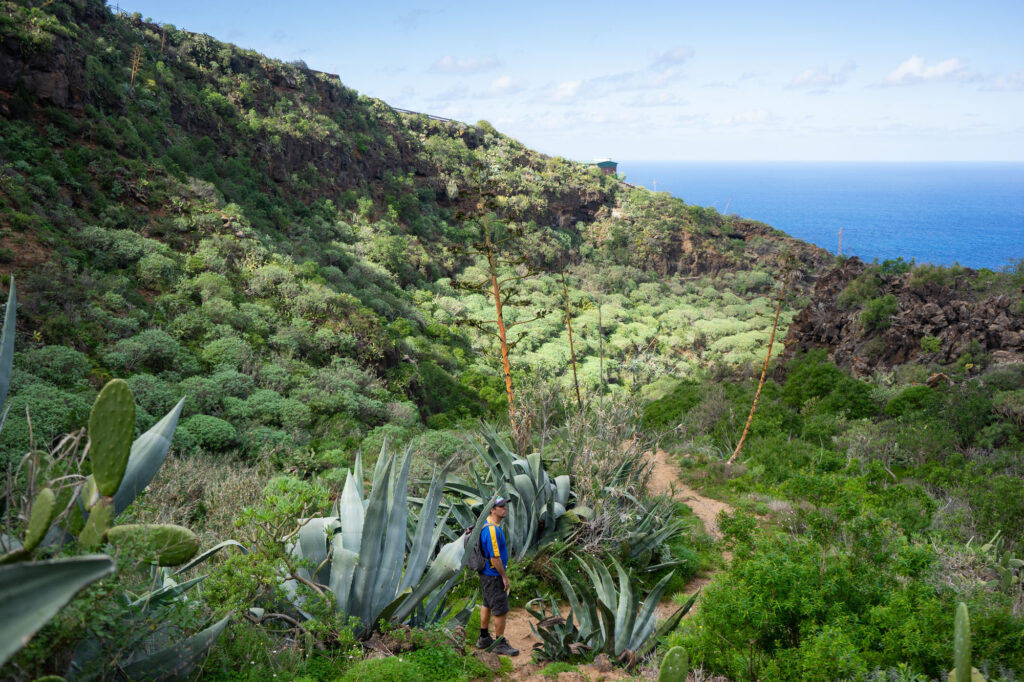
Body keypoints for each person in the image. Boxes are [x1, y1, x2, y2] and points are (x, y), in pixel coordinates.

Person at [476, 496, 519, 656]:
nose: (504, 509)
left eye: (504, 506)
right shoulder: (492, 529)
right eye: (501, 506)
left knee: (487, 603)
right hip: (493, 575)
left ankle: (483, 638)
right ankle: (500, 643)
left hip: (486, 574)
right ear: (492, 510)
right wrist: (504, 577)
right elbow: (495, 558)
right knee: (500, 609)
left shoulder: (487, 524)